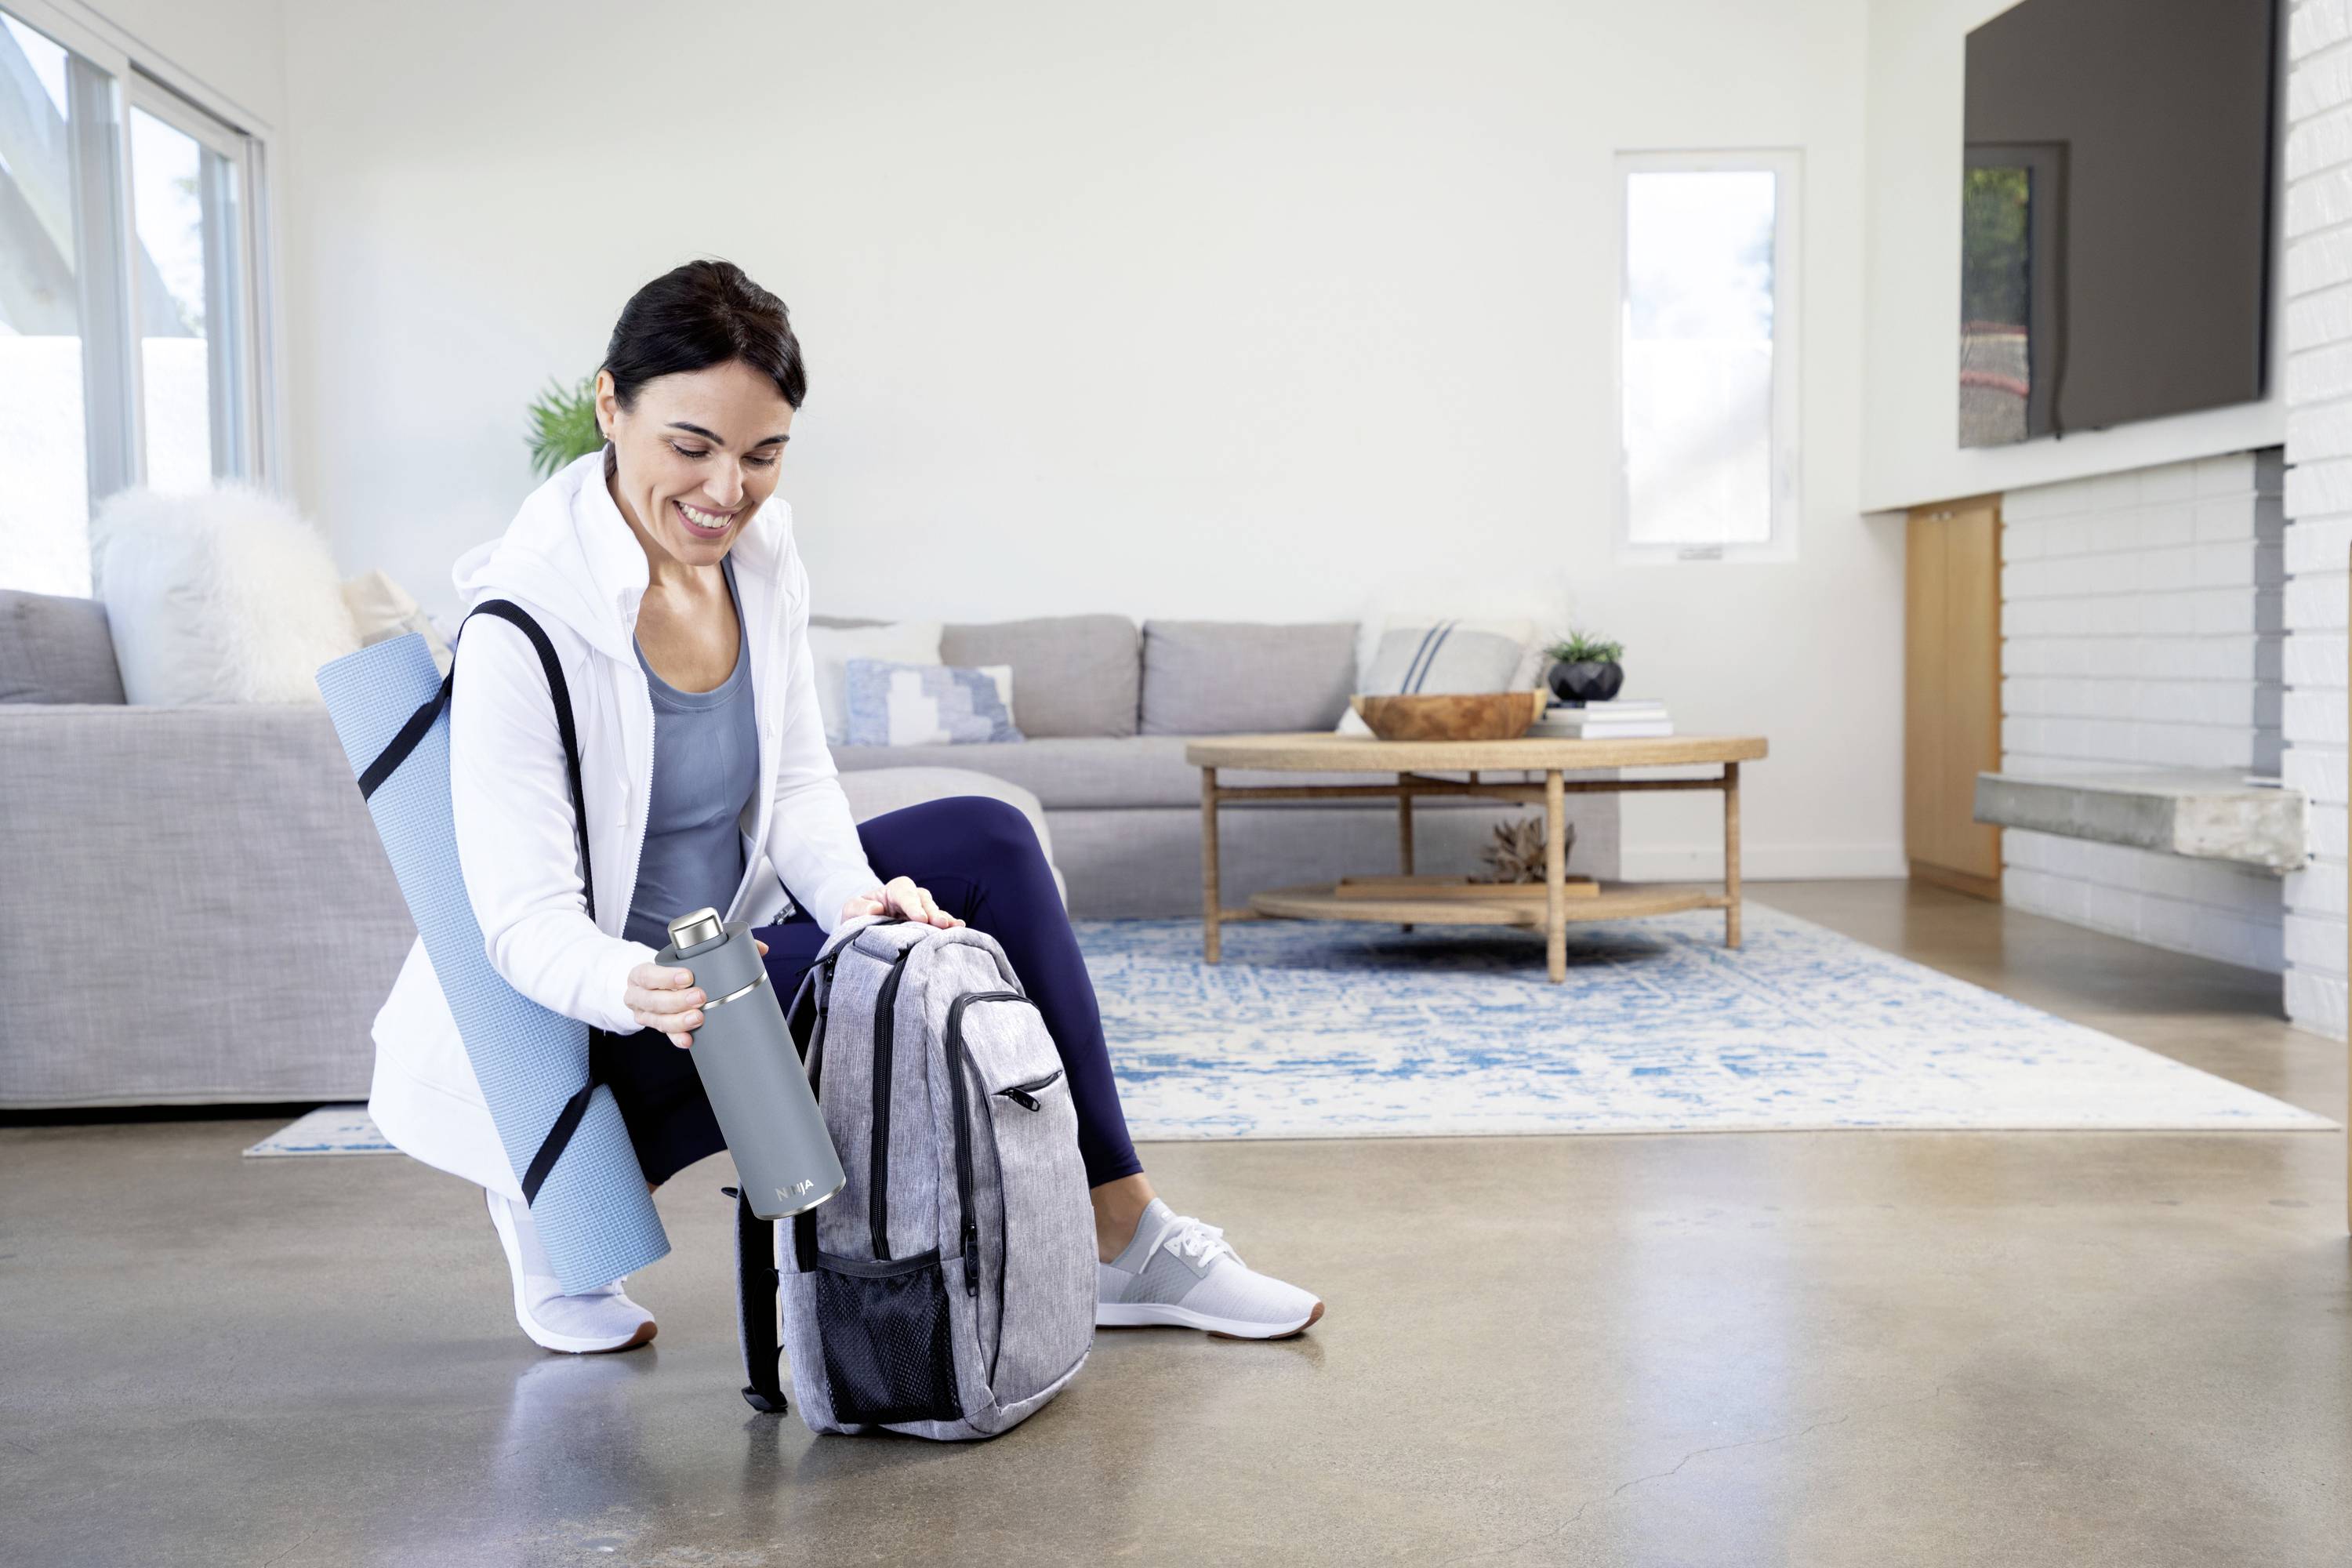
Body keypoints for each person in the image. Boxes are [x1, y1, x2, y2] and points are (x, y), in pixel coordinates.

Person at [367, 259, 1322, 1355]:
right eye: (692, 446)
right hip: (614, 1011)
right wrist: (636, 985)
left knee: (987, 843)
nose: (727, 489)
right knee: (843, 983)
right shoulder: (522, 626)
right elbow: (522, 923)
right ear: (609, 407)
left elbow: (796, 785)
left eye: (761, 454)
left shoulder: (759, 559)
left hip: (730, 951)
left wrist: (855, 900)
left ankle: (1126, 1235)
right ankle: (579, 1196)